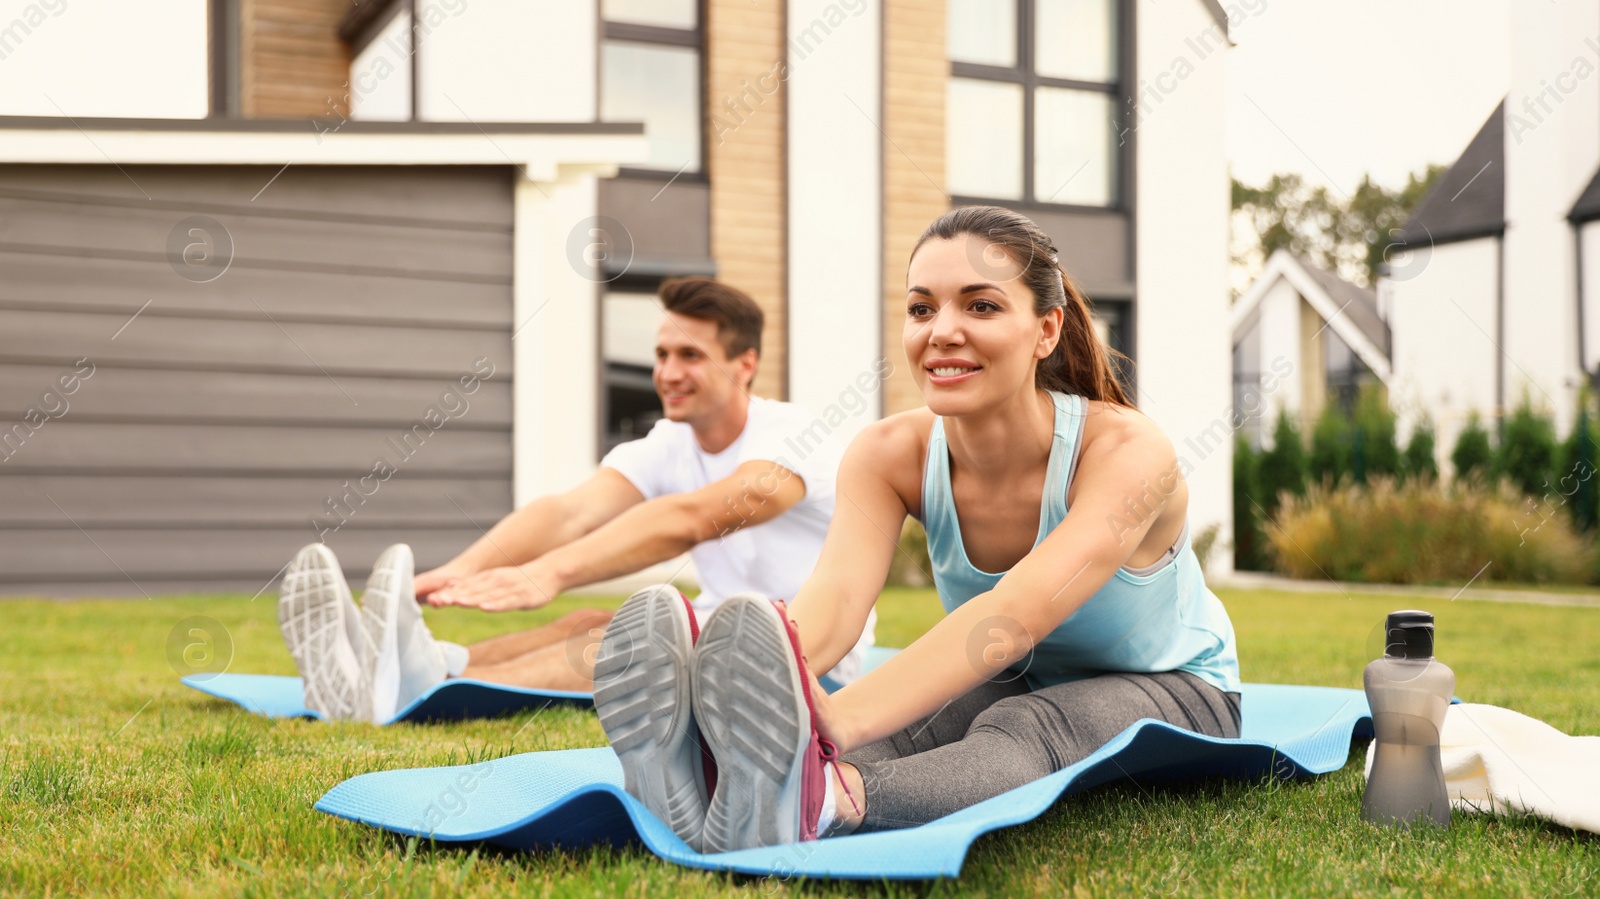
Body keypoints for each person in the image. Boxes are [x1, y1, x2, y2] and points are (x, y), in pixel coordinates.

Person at [592, 206, 1241, 853]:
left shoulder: (1127, 452)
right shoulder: (888, 451)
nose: (942, 331)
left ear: (1046, 329)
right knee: (892, 731)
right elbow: (840, 597)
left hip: (1180, 687)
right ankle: (714, 781)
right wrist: (778, 665)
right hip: (1025, 669)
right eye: (922, 308)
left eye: (981, 307)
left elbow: (1013, 616)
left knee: (1020, 721)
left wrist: (839, 714)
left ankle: (830, 802)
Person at [276, 277, 876, 722]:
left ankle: (407, 686)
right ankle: (420, 663)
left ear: (744, 365)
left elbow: (697, 518)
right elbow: (569, 511)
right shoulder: (670, 441)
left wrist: (549, 573)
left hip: (810, 650)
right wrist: (457, 573)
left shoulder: (795, 438)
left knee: (631, 637)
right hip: (720, 621)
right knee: (589, 622)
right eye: (662, 355)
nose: (667, 372)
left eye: (690, 355)